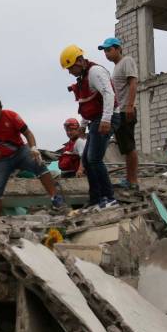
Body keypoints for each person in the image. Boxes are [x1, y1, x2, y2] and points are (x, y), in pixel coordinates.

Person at [0, 95, 64, 216]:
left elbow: (28, 133)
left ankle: (55, 199)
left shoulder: (11, 116)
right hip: (0, 160)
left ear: (1, 108)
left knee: (39, 165)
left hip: (20, 152)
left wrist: (33, 148)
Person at [59, 44, 119, 210]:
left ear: (79, 62)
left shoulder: (95, 72)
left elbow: (109, 93)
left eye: (70, 68)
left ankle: (109, 198)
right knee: (86, 159)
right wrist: (83, 126)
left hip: (107, 117)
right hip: (96, 120)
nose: (70, 72)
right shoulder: (84, 78)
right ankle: (95, 199)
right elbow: (87, 104)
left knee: (94, 159)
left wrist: (106, 120)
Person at [100, 37, 139, 190]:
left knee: (129, 147)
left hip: (125, 111)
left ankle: (133, 181)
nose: (106, 53)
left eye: (109, 50)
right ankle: (129, 180)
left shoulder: (126, 61)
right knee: (125, 147)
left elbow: (133, 83)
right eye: (104, 51)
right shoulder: (116, 68)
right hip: (119, 112)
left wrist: (129, 105)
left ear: (118, 48)